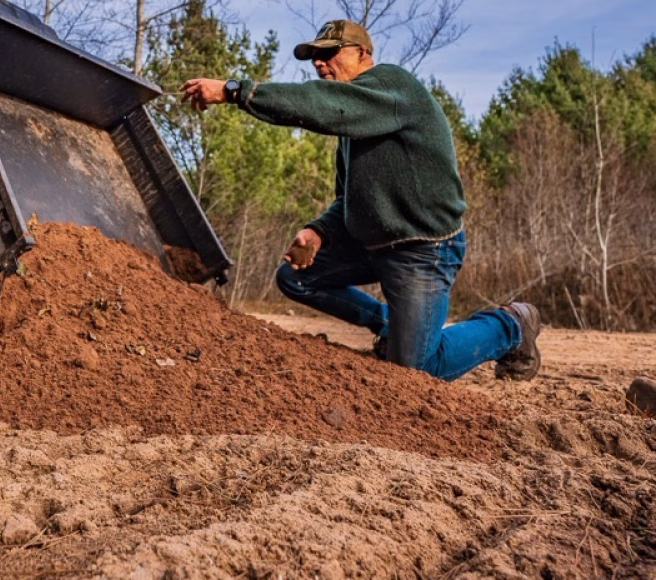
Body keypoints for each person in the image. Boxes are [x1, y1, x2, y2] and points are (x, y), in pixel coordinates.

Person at [180, 19, 541, 382]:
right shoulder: (355, 127)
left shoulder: (392, 85)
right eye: (314, 57)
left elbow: (321, 104)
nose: (318, 63)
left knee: (416, 372)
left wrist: (235, 91)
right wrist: (319, 231)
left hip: (422, 251)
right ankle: (391, 328)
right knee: (296, 277)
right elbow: (349, 197)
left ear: (362, 53)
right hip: (375, 246)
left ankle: (509, 325)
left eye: (328, 53)